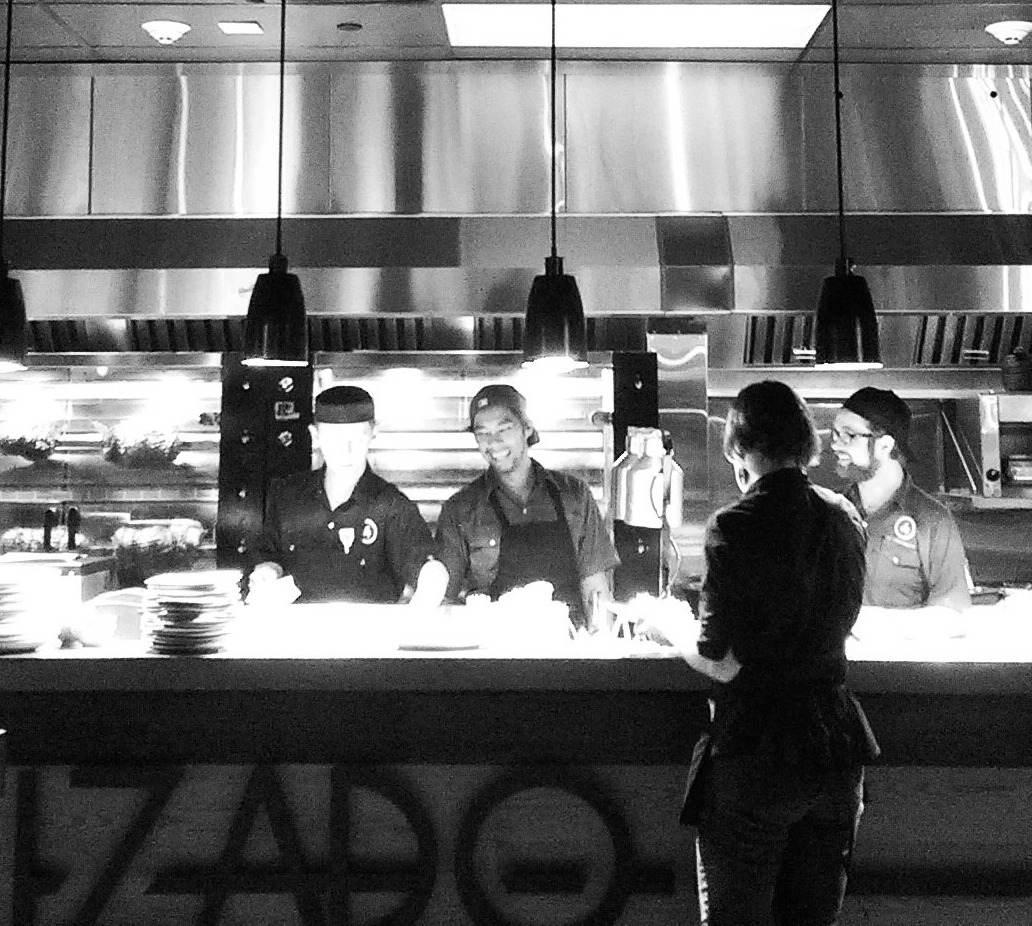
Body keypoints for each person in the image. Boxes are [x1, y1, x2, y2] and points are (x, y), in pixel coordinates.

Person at [636, 379, 878, 926]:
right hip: (835, 752)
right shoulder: (843, 515)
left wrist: (669, 629)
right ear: (805, 444)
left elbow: (723, 660)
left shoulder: (735, 524)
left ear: (740, 450)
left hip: (761, 754)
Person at [434, 382, 618, 629]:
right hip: (495, 647)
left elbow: (595, 589)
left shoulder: (575, 495)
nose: (493, 442)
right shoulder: (460, 509)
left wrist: (601, 643)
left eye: (504, 429)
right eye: (482, 433)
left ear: (527, 428)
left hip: (570, 645)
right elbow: (443, 600)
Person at [249, 385, 448, 606]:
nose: (346, 451)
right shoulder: (287, 496)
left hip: (369, 627)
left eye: (357, 439)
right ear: (315, 435)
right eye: (334, 439)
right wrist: (267, 572)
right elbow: (268, 555)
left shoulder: (392, 506)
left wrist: (432, 583)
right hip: (295, 625)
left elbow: (425, 565)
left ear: (374, 433)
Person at [829, 386, 972, 626]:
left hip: (902, 651)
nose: (835, 445)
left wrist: (872, 622)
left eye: (848, 435)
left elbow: (953, 614)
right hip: (832, 651)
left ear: (885, 445)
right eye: (834, 434)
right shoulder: (827, 512)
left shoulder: (934, 521)